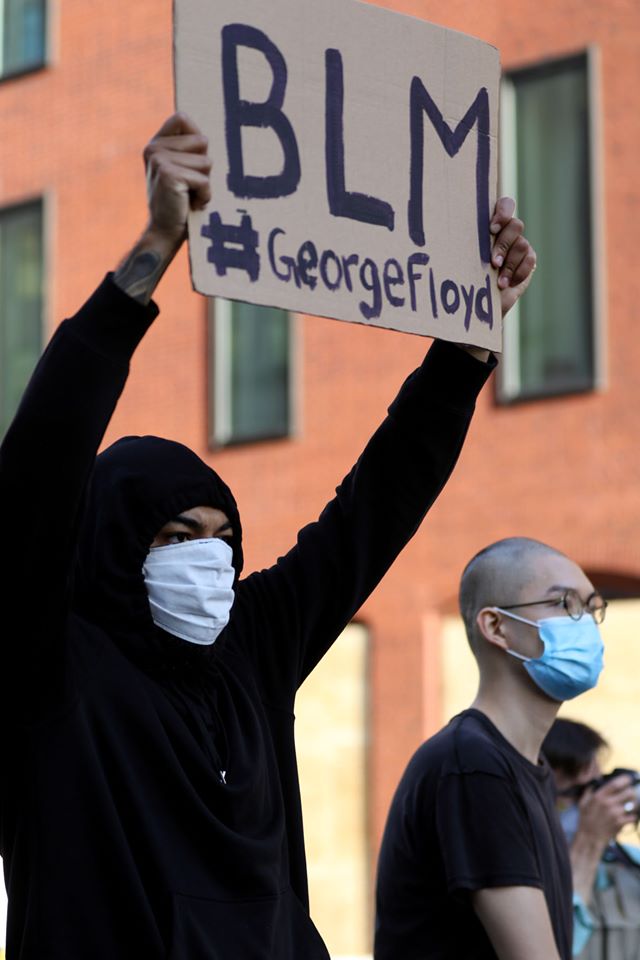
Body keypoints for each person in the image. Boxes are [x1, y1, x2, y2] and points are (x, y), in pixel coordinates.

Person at [0, 113, 535, 959]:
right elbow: (34, 475)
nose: (209, 558)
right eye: (177, 535)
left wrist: (469, 344)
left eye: (223, 537)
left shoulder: (251, 649)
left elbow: (374, 508)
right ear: (110, 546)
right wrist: (153, 249)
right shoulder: (53, 662)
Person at [375, 536, 608, 960]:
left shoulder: (526, 765)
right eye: (564, 605)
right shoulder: (474, 766)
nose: (585, 624)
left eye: (591, 608)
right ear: (496, 627)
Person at [543, 718, 640, 959]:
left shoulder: (629, 864)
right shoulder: (521, 871)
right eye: (576, 793)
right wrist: (589, 842)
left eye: (595, 787)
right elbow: (552, 948)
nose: (590, 804)